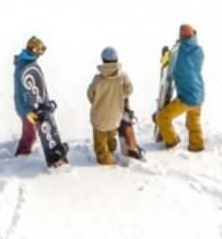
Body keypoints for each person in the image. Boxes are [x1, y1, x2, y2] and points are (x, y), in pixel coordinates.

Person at [11, 36, 67, 168]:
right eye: (40, 52)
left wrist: (45, 101)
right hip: (26, 108)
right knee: (29, 134)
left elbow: (37, 87)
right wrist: (27, 112)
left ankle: (28, 145)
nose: (40, 55)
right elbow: (20, 95)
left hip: (31, 105)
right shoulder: (23, 67)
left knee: (31, 130)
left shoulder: (27, 62)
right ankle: (21, 155)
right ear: (34, 51)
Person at [151, 23, 206, 153]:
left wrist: (166, 55)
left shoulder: (178, 53)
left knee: (162, 117)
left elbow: (167, 64)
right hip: (199, 94)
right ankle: (197, 145)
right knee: (193, 122)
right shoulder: (199, 50)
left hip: (186, 97)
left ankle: (172, 140)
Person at [87, 47, 143, 165]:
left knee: (101, 146)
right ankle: (112, 152)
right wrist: (119, 97)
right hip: (116, 117)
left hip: (99, 118)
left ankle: (108, 163)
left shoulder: (98, 79)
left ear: (103, 60)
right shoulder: (123, 77)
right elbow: (129, 90)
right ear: (116, 59)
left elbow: (90, 95)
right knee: (111, 137)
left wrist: (98, 103)